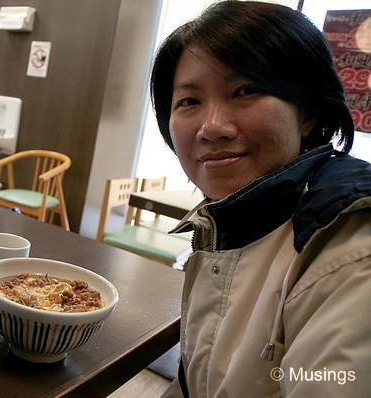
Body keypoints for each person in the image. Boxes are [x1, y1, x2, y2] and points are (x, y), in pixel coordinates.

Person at [150, 1, 371, 397]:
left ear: (307, 112)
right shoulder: (228, 221)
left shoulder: (348, 246)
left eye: (245, 91)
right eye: (189, 101)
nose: (212, 127)